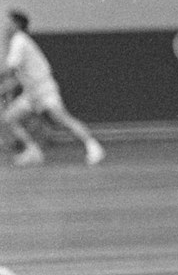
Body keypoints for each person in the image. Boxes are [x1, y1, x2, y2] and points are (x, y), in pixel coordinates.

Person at [2, 10, 105, 166]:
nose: (5, 25)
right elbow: (16, 77)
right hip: (31, 93)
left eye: (8, 22)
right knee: (9, 118)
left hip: (44, 89)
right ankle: (33, 152)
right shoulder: (16, 42)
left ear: (16, 25)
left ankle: (94, 146)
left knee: (62, 119)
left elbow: (9, 69)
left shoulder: (19, 40)